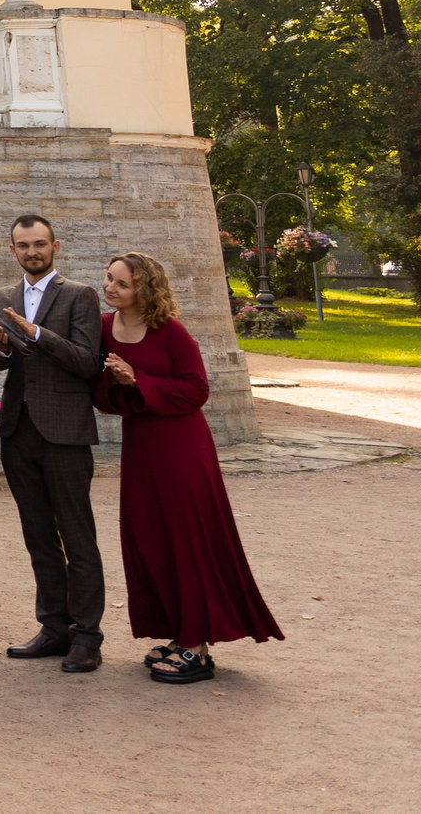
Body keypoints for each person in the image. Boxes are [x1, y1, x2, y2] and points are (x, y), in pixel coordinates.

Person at [94, 251, 282, 684]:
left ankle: (196, 646)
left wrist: (139, 380)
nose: (110, 288)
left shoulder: (171, 332)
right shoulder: (105, 329)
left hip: (182, 449)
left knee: (187, 540)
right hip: (141, 447)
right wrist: (120, 383)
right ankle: (180, 633)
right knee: (150, 537)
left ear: (144, 289)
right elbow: (103, 396)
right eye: (109, 280)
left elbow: (196, 390)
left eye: (121, 284)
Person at [0, 213, 106, 674]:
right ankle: (54, 628)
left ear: (55, 246)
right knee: (38, 537)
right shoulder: (1, 297)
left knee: (78, 537)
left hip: (66, 431)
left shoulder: (79, 296)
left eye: (39, 244)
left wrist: (37, 333)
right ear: (11, 250)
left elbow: (88, 362)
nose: (32, 251)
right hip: (18, 430)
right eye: (23, 245)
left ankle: (87, 637)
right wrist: (1, 344)